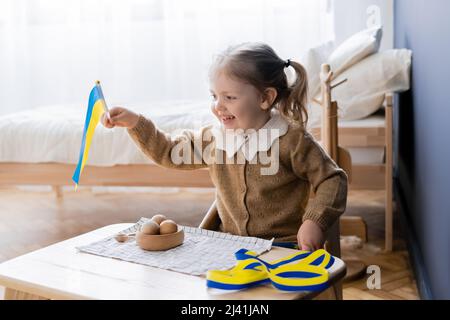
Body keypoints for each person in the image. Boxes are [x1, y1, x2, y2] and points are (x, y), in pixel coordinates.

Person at [101, 42, 348, 251]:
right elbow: (168, 152)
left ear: (265, 98)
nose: (218, 106)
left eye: (229, 98)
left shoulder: (291, 140)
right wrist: (135, 123)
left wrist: (314, 221)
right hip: (227, 244)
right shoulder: (214, 139)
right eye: (214, 96)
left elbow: (332, 179)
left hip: (281, 247)